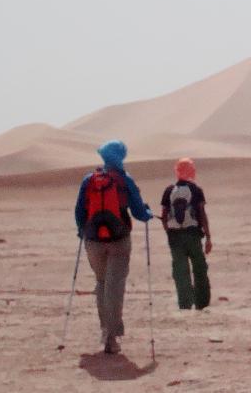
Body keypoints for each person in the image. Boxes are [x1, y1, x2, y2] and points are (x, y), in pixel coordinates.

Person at [75, 140, 152, 354]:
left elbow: (79, 210)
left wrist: (82, 231)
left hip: (93, 241)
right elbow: (138, 212)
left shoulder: (89, 180)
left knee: (101, 283)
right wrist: (147, 213)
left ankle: (105, 331)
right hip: (118, 240)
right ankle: (111, 335)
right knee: (115, 287)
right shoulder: (124, 179)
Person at [161, 158, 212, 310]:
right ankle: (201, 302)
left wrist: (169, 232)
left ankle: (185, 302)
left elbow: (164, 215)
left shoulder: (169, 190)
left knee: (180, 270)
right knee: (199, 268)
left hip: (175, 237)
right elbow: (201, 213)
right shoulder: (196, 190)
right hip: (193, 235)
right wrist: (208, 237)